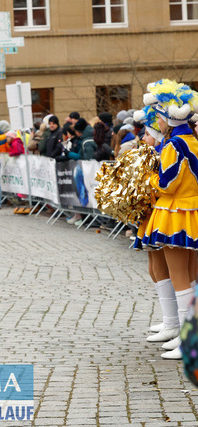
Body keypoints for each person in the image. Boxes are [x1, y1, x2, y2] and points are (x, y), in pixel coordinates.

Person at [137, 79, 198, 359]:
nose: (158, 123)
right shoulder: (193, 141)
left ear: (168, 119)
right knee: (190, 277)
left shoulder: (175, 144)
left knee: (180, 278)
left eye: (159, 118)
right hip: (192, 211)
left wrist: (148, 178)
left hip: (176, 213)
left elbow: (167, 184)